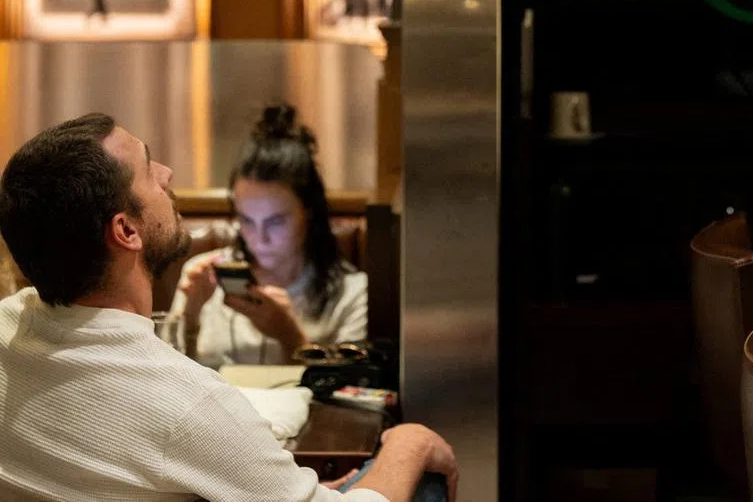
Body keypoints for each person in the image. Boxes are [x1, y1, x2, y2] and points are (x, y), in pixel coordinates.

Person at [0, 113, 456, 502]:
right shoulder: (191, 405)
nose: (167, 172)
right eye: (147, 167)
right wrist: (408, 443)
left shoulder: (7, 325)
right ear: (126, 230)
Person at [171, 104, 368, 367]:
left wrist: (291, 336)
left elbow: (351, 393)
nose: (259, 238)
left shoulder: (350, 292)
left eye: (275, 222)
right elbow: (167, 380)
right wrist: (191, 317)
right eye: (247, 220)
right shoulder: (202, 276)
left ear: (308, 212)